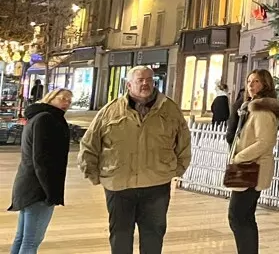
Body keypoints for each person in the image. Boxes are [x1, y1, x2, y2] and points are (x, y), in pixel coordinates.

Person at [78, 65, 191, 254]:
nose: (145, 83)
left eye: (149, 79)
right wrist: (94, 174)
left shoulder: (169, 109)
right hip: (119, 185)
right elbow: (90, 144)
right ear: (129, 84)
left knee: (153, 236)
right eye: (140, 80)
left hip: (156, 184)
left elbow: (184, 143)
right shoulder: (110, 111)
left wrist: (175, 170)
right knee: (120, 236)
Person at [8, 88, 72, 254]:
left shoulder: (38, 116)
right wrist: (50, 191)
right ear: (51, 98)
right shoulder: (47, 119)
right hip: (38, 188)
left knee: (22, 238)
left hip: (28, 185)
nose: (66, 103)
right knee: (30, 242)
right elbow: (42, 159)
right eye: (63, 98)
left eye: (69, 101)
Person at [227, 70, 279, 254]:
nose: (251, 85)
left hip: (252, 168)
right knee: (244, 217)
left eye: (256, 81)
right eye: (249, 81)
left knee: (237, 216)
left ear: (265, 85)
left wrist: (239, 157)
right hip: (250, 167)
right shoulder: (250, 107)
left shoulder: (262, 110)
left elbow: (264, 142)